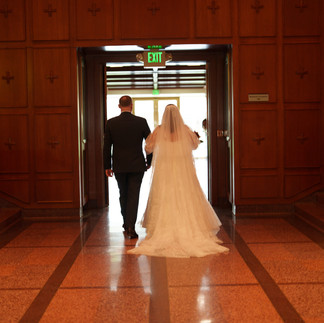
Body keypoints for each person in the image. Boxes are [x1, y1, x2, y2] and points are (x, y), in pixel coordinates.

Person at [128, 104, 229, 257]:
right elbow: (195, 145)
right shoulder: (185, 129)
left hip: (165, 171)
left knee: (165, 198)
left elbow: (148, 147)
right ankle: (188, 227)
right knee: (185, 197)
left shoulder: (159, 130)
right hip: (183, 171)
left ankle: (163, 228)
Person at [103, 95, 152, 239]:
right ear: (131, 105)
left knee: (123, 194)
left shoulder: (111, 123)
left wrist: (107, 165)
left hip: (119, 165)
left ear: (119, 106)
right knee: (133, 195)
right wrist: (149, 161)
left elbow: (107, 146)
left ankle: (126, 223)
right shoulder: (141, 122)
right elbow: (150, 144)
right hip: (137, 164)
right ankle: (130, 226)